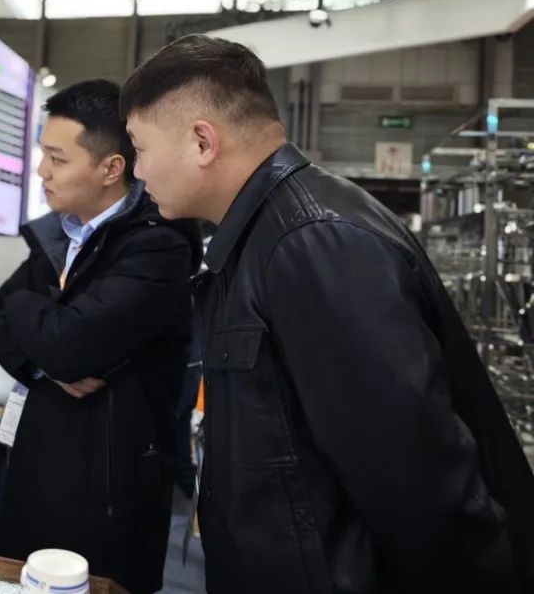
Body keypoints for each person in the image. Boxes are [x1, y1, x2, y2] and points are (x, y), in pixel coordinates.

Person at [121, 34, 534, 593]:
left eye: (141, 148)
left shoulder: (310, 243)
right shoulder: (270, 236)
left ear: (201, 141)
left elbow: (417, 484)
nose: (139, 172)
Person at [0, 79, 202, 593]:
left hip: (107, 483)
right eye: (42, 154)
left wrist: (27, 310)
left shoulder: (158, 246)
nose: (41, 171)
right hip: (34, 455)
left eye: (57, 158)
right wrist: (41, 360)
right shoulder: (61, 232)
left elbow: (67, 345)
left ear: (110, 168)